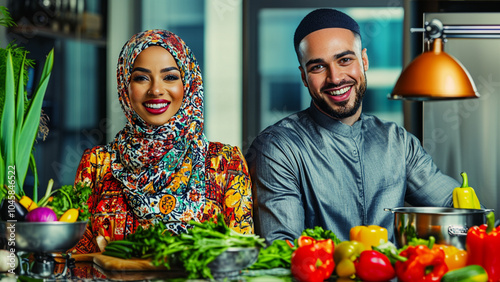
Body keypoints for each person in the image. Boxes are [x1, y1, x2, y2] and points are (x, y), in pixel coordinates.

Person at [245, 8, 460, 245]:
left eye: (345, 60)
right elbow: (282, 248)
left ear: (364, 60)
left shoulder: (396, 141)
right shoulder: (278, 148)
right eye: (318, 67)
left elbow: (454, 206)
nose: (335, 78)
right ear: (304, 77)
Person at [70, 29, 254, 254]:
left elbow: (242, 257)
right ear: (124, 87)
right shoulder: (97, 164)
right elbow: (76, 259)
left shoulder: (225, 163)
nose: (156, 90)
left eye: (170, 77)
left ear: (188, 83)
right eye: (141, 78)